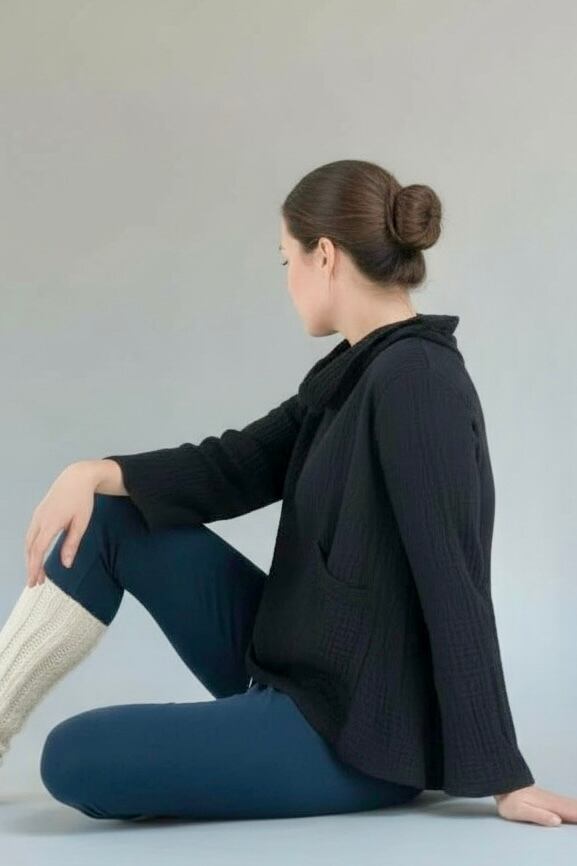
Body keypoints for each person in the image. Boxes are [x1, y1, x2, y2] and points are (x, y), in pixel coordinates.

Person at [1, 159, 575, 826]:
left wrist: (503, 775)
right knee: (108, 516)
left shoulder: (417, 382)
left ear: (323, 255)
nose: (286, 281)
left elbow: (453, 578)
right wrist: (91, 471)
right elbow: (235, 466)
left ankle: (298, 748)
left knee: (73, 758)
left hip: (356, 735)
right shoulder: (355, 370)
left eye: (285, 260)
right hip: (301, 667)